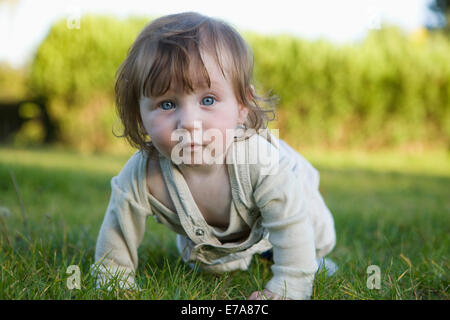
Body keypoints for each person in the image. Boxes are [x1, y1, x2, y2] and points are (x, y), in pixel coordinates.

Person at [91, 11, 336, 300]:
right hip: (219, 232)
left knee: (312, 235)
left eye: (208, 100)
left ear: (242, 105)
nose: (189, 122)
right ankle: (251, 253)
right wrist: (115, 281)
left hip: (292, 190)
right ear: (140, 115)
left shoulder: (260, 161)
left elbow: (290, 221)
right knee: (215, 264)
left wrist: (289, 287)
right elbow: (118, 231)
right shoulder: (143, 176)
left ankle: (310, 261)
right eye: (167, 104)